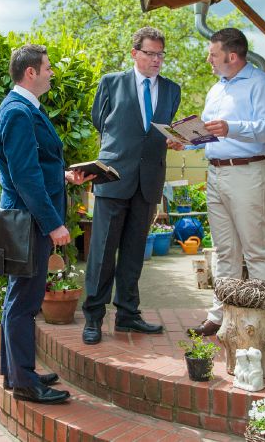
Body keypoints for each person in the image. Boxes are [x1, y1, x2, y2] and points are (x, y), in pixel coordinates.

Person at [0, 44, 92, 403]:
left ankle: (15, 370)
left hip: (25, 218)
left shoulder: (19, 108)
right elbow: (24, 177)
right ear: (31, 72)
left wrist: (63, 175)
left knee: (19, 298)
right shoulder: (18, 112)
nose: (52, 73)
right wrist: (53, 224)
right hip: (30, 221)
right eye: (47, 68)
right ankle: (23, 382)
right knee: (23, 301)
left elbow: (35, 166)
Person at [170, 28, 265, 337]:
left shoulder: (261, 84)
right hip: (216, 173)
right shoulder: (216, 89)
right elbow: (210, 133)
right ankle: (220, 317)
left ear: (232, 56)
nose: (209, 59)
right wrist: (187, 143)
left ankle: (262, 324)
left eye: (213, 54)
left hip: (248, 173)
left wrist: (233, 127)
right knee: (223, 251)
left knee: (255, 250)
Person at [81, 27, 181, 345]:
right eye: (150, 53)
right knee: (102, 253)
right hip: (112, 177)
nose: (156, 60)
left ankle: (127, 315)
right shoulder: (111, 82)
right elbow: (101, 120)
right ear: (134, 53)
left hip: (148, 181)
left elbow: (163, 130)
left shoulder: (172, 89)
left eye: (160, 54)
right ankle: (94, 318)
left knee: (135, 252)